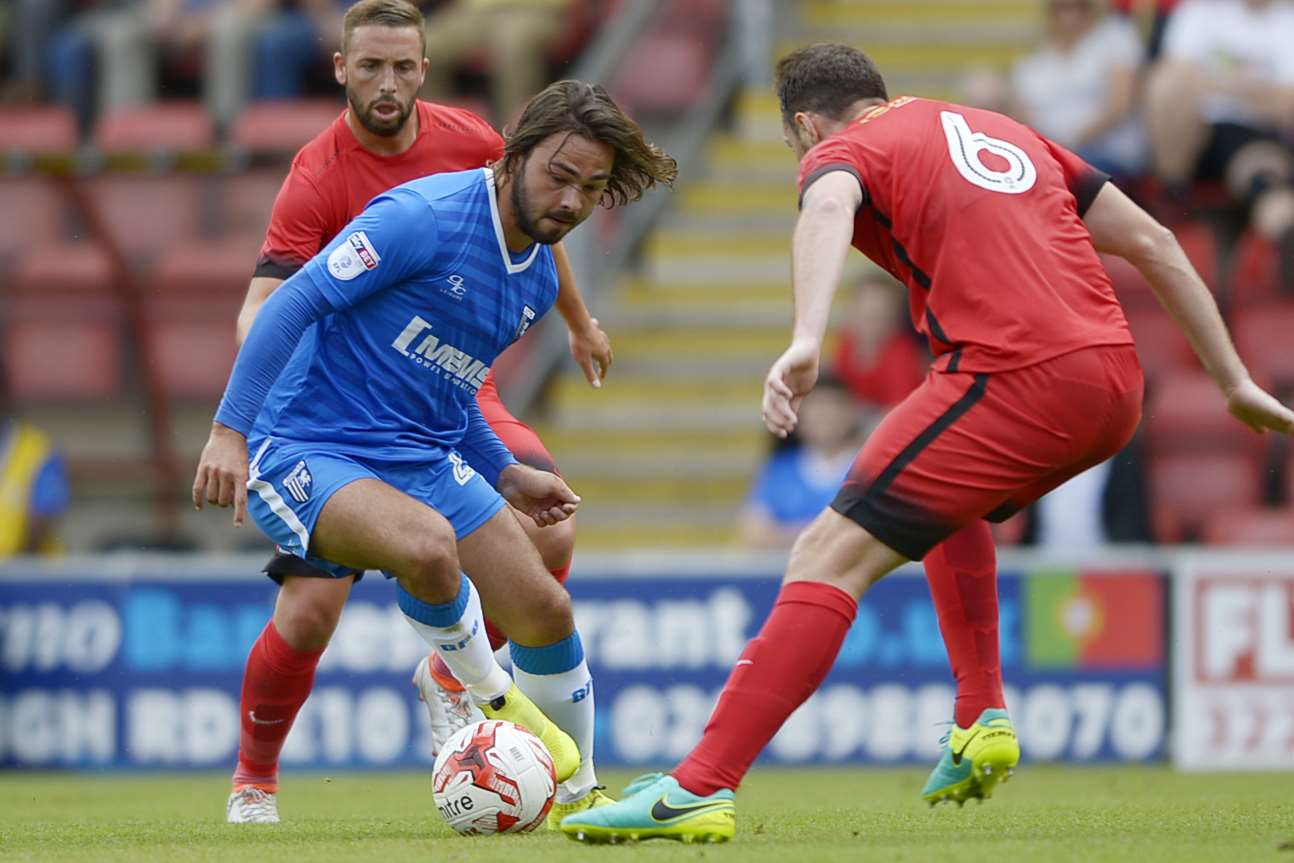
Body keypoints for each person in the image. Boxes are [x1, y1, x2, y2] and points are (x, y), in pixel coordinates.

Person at [561, 42, 1294, 844]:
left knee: (824, 555)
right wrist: (1231, 381)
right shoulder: (1005, 132)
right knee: (947, 496)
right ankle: (981, 713)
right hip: (1114, 385)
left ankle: (699, 785)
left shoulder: (843, 150)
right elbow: (1153, 241)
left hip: (1016, 376)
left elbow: (828, 210)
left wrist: (807, 337)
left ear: (804, 126)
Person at [220, 0, 616, 826]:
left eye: (404, 66)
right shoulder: (339, 182)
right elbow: (275, 304)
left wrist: (573, 331)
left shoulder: (487, 160)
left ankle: (581, 789)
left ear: (427, 69)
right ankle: (263, 775)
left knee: (548, 574)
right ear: (342, 70)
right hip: (321, 422)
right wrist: (238, 421)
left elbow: (530, 253)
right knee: (322, 601)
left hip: (428, 408)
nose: (389, 82)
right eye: (371, 66)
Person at [1145, 0, 1294, 284]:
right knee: (1167, 87)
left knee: (1264, 177)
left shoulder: (1287, 20)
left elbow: (1286, 104)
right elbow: (1175, 80)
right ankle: (1173, 192)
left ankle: (1283, 238)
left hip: (1253, 137)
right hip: (1195, 134)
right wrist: (1256, 90)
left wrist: (1216, 84)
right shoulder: (1201, 11)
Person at [1010, 0, 1148, 179]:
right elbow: (1022, 113)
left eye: (1079, 7)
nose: (1070, 16)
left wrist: (1068, 144)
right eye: (1062, 8)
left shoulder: (1116, 38)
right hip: (1050, 155)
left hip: (1105, 153)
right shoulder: (1035, 57)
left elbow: (1119, 105)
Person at [737, 375, 869, 550]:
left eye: (831, 406)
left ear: (850, 413)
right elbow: (756, 534)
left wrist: (792, 534)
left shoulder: (871, 470)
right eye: (815, 407)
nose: (824, 416)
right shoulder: (779, 470)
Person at [0, 361, 70, 558]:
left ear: (5, 396)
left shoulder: (38, 452)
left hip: (29, 580)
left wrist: (10, 579)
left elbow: (40, 525)